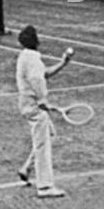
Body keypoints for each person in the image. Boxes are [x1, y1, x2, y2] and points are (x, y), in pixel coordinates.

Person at [14, 24, 70, 198]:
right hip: (34, 106)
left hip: (27, 104)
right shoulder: (32, 59)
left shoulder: (25, 56)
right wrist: (42, 100)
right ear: (36, 41)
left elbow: (43, 74)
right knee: (42, 145)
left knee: (49, 136)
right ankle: (45, 186)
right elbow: (36, 79)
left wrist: (63, 63)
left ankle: (26, 169)